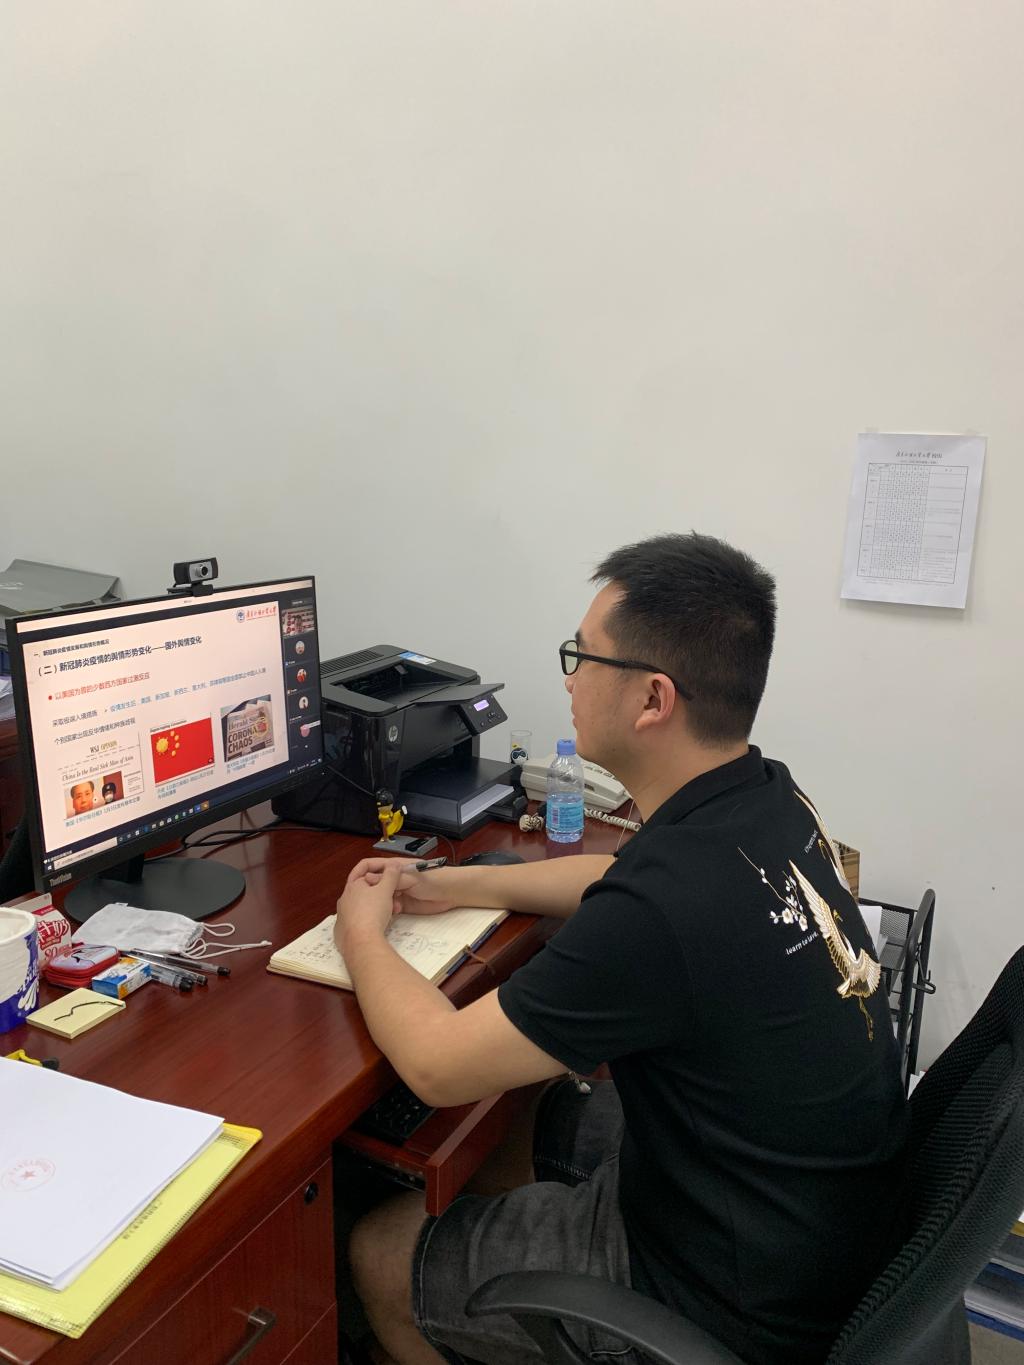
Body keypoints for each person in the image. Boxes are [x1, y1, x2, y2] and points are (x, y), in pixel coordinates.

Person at [336, 533, 908, 1365]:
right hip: (807, 1221)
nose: (569, 679)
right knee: (520, 1110)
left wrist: (358, 931)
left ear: (651, 698)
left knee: (381, 1250)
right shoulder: (766, 797)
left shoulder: (666, 907)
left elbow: (435, 1062)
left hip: (729, 1298)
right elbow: (617, 872)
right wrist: (452, 883)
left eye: (583, 656)